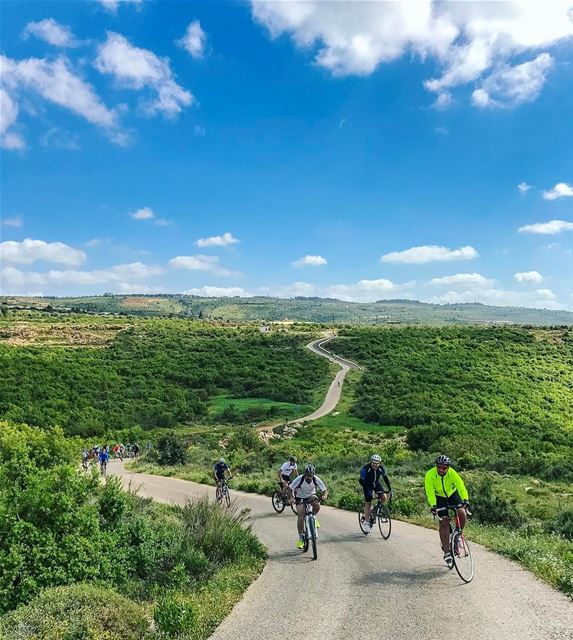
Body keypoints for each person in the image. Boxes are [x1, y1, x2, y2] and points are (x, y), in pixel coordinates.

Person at [424, 455, 470, 567]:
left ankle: (458, 535)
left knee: (462, 512)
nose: (441, 470)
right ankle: (447, 552)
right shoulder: (430, 475)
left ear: (448, 468)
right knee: (444, 522)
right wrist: (433, 505)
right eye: (439, 467)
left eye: (444, 468)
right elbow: (429, 491)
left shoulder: (452, 473)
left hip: (452, 494)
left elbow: (461, 487)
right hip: (439, 497)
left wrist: (465, 499)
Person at [288, 464, 328, 549]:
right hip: (300, 497)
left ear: (313, 474)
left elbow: (324, 490)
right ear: (304, 474)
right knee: (301, 516)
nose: (309, 478)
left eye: (310, 476)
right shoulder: (299, 479)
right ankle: (301, 538)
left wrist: (324, 495)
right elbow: (289, 489)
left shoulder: (316, 479)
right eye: (307, 476)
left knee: (316, 504)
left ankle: (314, 517)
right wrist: (291, 498)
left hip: (311, 495)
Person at [359, 454, 393, 534]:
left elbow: (385, 478)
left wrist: (390, 489)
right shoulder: (365, 469)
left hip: (376, 484)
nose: (375, 464)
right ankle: (367, 523)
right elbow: (361, 480)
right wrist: (368, 490)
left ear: (379, 463)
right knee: (369, 500)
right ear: (371, 462)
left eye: (377, 463)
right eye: (374, 462)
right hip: (367, 484)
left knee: (384, 496)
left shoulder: (381, 469)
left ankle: (374, 510)